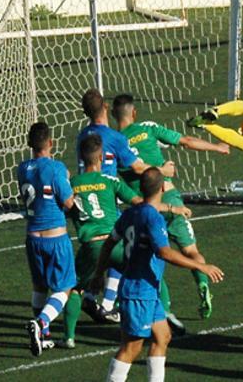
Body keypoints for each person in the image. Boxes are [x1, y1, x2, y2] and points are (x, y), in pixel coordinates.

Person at [93, 168, 224, 382]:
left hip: (146, 290)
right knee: (131, 348)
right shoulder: (154, 218)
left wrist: (99, 274)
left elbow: (109, 243)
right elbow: (163, 251)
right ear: (163, 187)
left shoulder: (131, 212)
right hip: (138, 291)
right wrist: (200, 266)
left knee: (162, 336)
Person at [113, 94, 228, 320]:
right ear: (134, 113)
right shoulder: (148, 128)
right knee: (191, 251)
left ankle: (160, 308)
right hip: (170, 197)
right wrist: (217, 148)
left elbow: (131, 169)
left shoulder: (115, 143)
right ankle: (202, 284)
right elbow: (186, 141)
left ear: (113, 115)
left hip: (145, 207)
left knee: (149, 257)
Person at [78, 89, 174, 320]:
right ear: (106, 108)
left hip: (87, 197)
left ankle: (100, 301)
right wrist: (162, 171)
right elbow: (138, 168)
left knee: (109, 252)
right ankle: (161, 313)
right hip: (109, 195)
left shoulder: (83, 135)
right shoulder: (113, 137)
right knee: (131, 254)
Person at [62, 134, 143, 348]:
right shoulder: (110, 181)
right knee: (145, 273)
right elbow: (138, 202)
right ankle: (162, 319)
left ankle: (69, 337)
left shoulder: (72, 184)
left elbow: (64, 208)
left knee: (74, 288)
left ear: (81, 156)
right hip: (114, 244)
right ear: (101, 159)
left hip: (90, 247)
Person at [17, 121, 76, 356]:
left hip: (32, 238)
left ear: (29, 144)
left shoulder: (22, 168)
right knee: (65, 288)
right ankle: (40, 323)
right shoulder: (56, 168)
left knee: (39, 285)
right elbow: (68, 202)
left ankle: (45, 335)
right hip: (56, 238)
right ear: (51, 143)